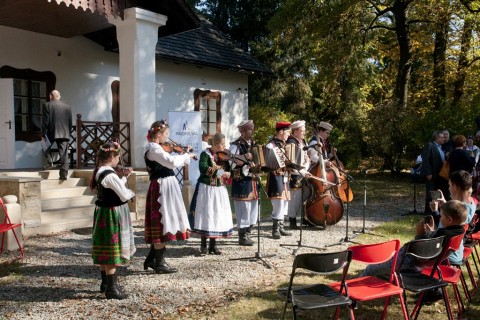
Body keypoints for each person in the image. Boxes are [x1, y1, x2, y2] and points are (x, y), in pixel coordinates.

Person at [359, 200, 467, 279]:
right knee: (383, 266)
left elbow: (423, 255)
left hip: (409, 262)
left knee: (370, 269)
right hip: (417, 262)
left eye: (442, 216)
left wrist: (420, 234)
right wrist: (430, 233)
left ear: (449, 219)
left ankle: (349, 292)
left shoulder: (444, 234)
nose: (440, 218)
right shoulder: (459, 232)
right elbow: (434, 247)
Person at [144, 120, 195, 274]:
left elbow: (169, 158)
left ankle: (152, 258)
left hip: (167, 185)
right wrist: (186, 156)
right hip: (161, 187)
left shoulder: (157, 148)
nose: (167, 138)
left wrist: (181, 153)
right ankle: (159, 263)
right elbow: (171, 162)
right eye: (166, 134)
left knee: (165, 219)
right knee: (162, 221)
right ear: (158, 134)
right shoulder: (153, 149)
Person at [90, 141, 136, 300]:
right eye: (118, 157)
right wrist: (131, 192)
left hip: (104, 212)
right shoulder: (109, 174)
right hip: (112, 213)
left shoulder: (100, 171)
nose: (119, 160)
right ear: (111, 157)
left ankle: (105, 284)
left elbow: (115, 187)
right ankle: (111, 289)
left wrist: (123, 178)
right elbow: (123, 195)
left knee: (105, 247)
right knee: (112, 249)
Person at [192, 133, 234, 254]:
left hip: (219, 188)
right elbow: (203, 168)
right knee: (207, 214)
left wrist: (228, 171)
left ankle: (213, 245)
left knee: (217, 214)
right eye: (222, 144)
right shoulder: (205, 154)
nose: (224, 146)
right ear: (216, 144)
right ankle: (203, 245)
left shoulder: (222, 155)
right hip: (207, 188)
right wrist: (221, 172)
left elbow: (228, 168)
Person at [229, 120, 258, 246]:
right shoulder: (236, 145)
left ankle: (249, 231)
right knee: (243, 208)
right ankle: (242, 235)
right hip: (241, 181)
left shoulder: (254, 144)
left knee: (253, 208)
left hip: (252, 180)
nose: (252, 132)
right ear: (243, 131)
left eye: (252, 129)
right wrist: (245, 158)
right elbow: (231, 162)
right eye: (250, 129)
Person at [266, 121, 292, 239]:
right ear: (281, 131)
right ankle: (275, 228)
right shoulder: (271, 145)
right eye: (287, 132)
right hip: (275, 177)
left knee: (285, 201)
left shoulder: (286, 145)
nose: (288, 135)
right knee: (279, 202)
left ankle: (280, 226)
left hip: (285, 176)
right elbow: (267, 163)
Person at [41, 90, 72, 180]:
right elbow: (70, 122)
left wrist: (43, 134)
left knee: (44, 144)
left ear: (51, 96)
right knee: (64, 154)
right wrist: (68, 133)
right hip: (64, 133)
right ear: (59, 96)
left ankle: (49, 161)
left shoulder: (47, 105)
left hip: (51, 131)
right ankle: (64, 175)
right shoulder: (67, 107)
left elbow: (45, 121)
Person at [286, 120, 311, 229]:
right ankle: (292, 221)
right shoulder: (292, 143)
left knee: (306, 195)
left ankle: (304, 217)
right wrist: (303, 172)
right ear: (295, 131)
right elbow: (292, 163)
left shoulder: (302, 142)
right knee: (294, 198)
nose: (304, 133)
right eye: (302, 131)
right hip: (295, 175)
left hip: (304, 173)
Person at [421, 130, 449, 213]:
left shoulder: (441, 148)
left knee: (436, 195)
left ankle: (435, 212)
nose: (444, 139)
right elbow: (425, 160)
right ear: (437, 138)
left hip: (439, 176)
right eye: (442, 137)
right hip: (432, 175)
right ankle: (429, 213)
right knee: (431, 194)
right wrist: (428, 173)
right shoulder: (430, 145)